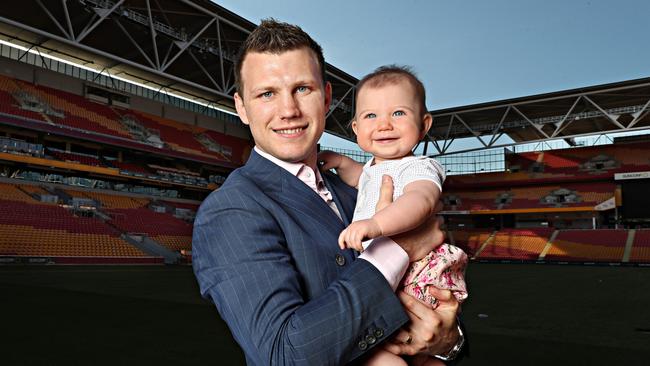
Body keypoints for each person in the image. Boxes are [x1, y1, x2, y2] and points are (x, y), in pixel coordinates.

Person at [192, 19, 465, 365]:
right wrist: (395, 248)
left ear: (327, 97)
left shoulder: (359, 185)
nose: (288, 111)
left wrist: (447, 343)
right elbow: (283, 357)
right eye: (266, 93)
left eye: (302, 89)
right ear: (242, 108)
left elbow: (435, 311)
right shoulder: (230, 210)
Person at [319, 66, 468, 365]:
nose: (384, 125)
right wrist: (342, 162)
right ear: (356, 128)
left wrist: (377, 224)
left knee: (390, 346)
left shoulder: (419, 167)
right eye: (371, 116)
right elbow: (364, 177)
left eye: (398, 113)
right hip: (393, 272)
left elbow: (420, 200)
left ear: (423, 124)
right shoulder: (374, 168)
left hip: (414, 273)